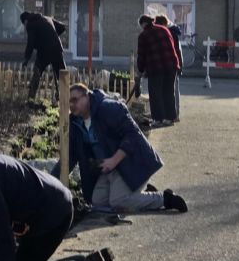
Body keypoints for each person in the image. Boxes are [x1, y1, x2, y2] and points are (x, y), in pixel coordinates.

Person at [57, 83, 188, 214]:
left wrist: (114, 160)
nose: (71, 105)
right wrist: (49, 183)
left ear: (87, 96)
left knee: (119, 201)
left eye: (74, 100)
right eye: (69, 102)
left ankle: (165, 199)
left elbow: (133, 135)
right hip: (108, 170)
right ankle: (139, 193)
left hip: (130, 162)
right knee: (98, 201)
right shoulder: (75, 122)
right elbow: (70, 156)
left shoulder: (108, 108)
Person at [137, 15, 180, 126]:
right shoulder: (164, 29)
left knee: (155, 94)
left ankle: (158, 119)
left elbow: (141, 55)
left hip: (155, 67)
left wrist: (140, 70)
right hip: (171, 66)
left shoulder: (143, 36)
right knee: (168, 92)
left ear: (143, 24)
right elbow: (172, 48)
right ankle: (170, 118)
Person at [21, 12, 67, 100]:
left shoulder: (30, 25)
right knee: (62, 75)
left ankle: (31, 99)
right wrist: (52, 36)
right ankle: (66, 99)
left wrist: (26, 59)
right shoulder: (47, 18)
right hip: (57, 49)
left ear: (25, 21)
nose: (24, 26)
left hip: (44, 52)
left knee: (37, 73)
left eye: (24, 24)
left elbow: (30, 43)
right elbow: (62, 27)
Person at [154, 15, 182, 122]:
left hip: (171, 65)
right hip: (174, 65)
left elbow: (176, 51)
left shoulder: (170, 33)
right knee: (171, 91)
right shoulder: (172, 32)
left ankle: (173, 115)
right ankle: (174, 115)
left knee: (170, 91)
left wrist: (178, 66)